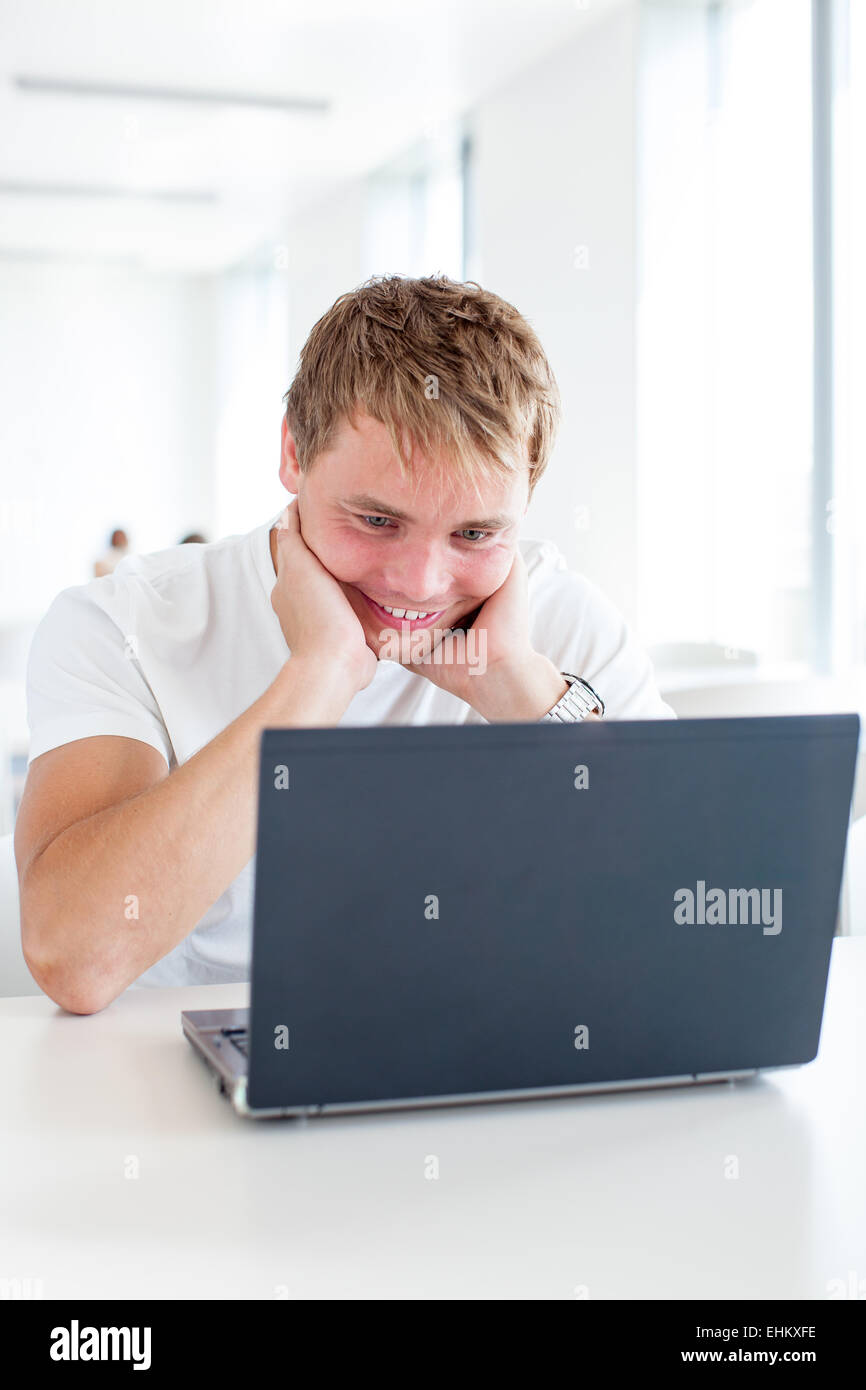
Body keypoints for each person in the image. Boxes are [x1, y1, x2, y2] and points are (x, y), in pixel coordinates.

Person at [15, 274, 674, 1013]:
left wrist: (523, 692)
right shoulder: (125, 625)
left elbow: (692, 920)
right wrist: (318, 676)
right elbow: (74, 956)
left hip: (494, 1043)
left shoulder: (565, 623)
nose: (421, 583)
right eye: (378, 522)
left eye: (474, 534)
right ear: (294, 454)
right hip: (194, 1062)